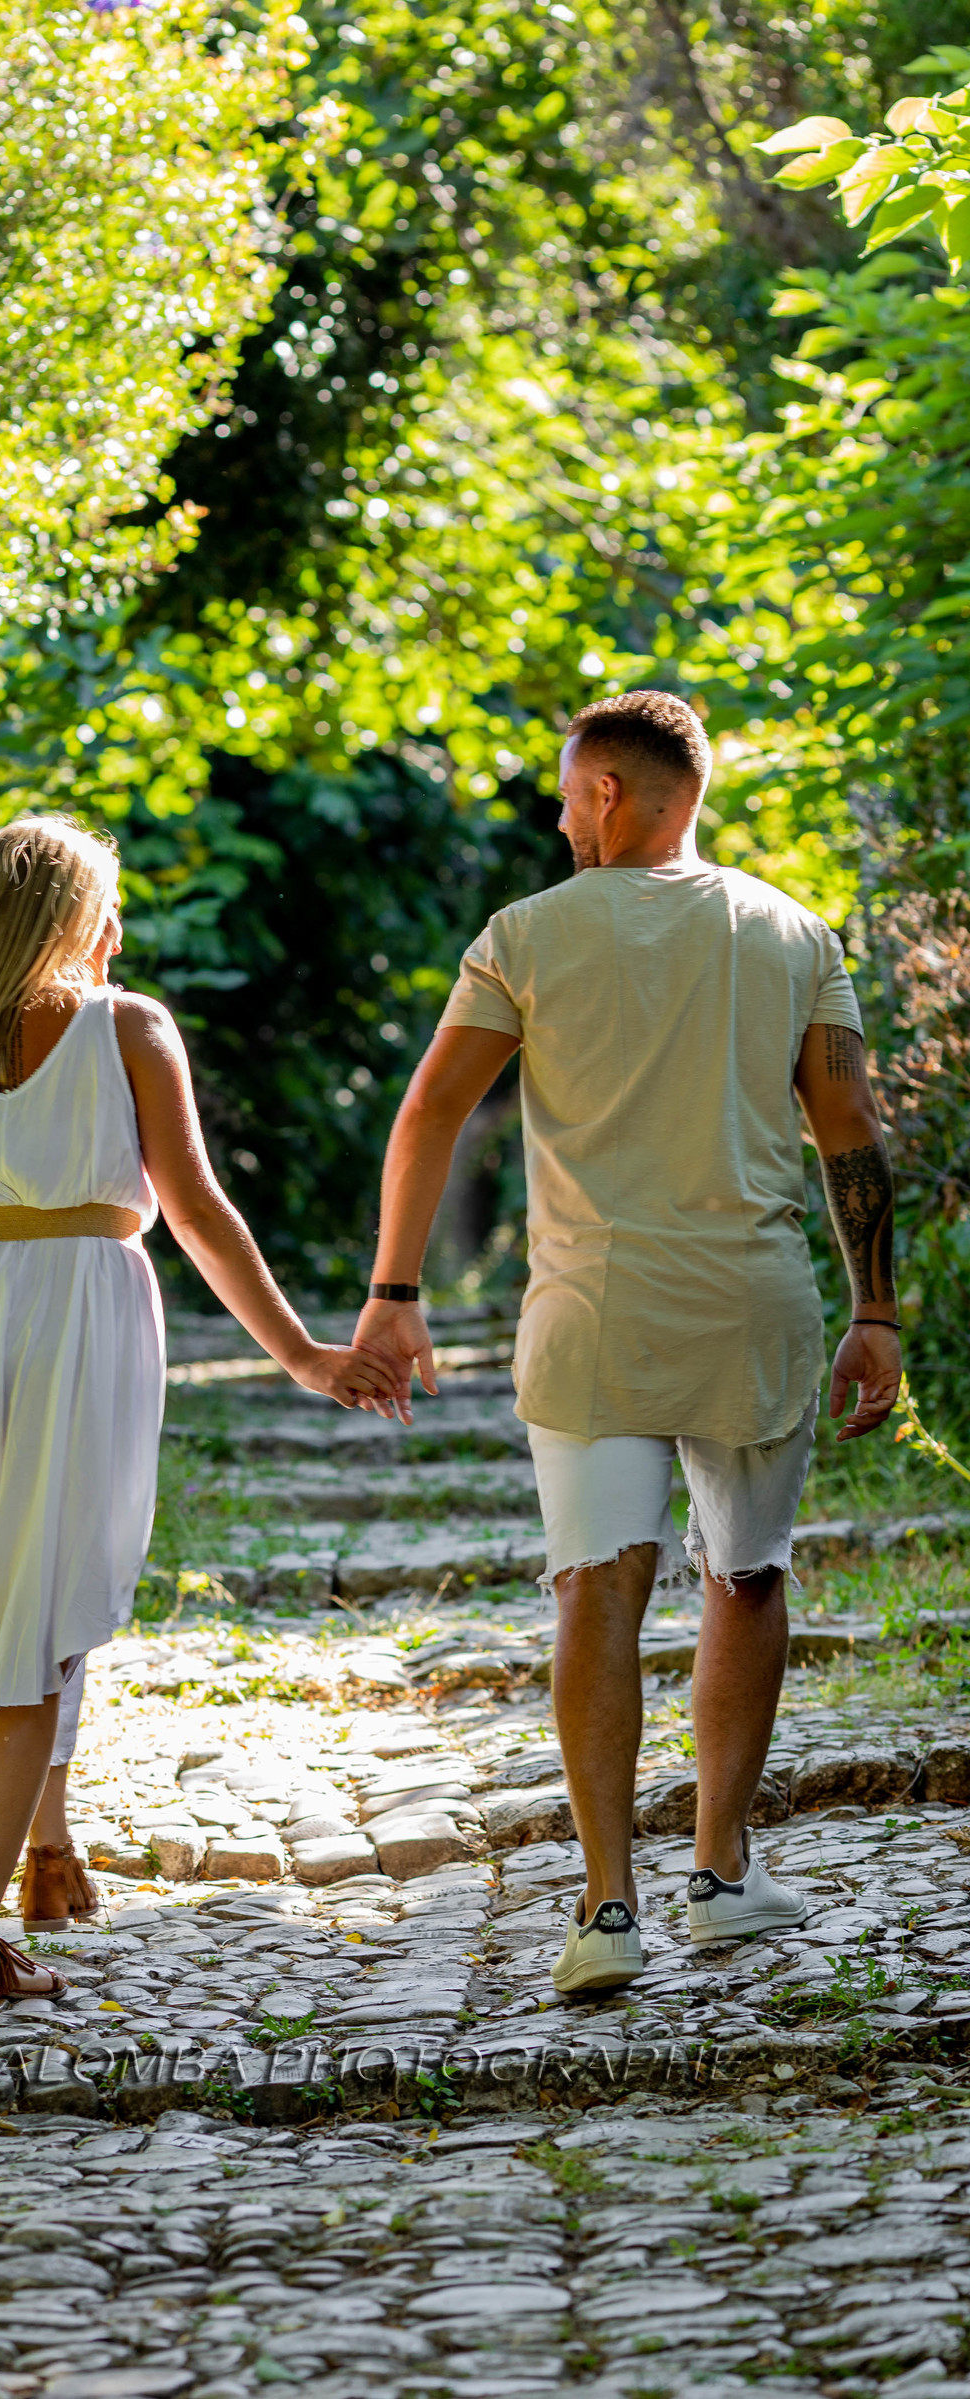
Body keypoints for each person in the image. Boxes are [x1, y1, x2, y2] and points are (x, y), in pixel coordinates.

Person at [353, 690, 901, 1994]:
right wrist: (876, 1308)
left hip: (592, 1315)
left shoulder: (526, 935)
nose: (559, 820)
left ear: (608, 789)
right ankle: (720, 1870)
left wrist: (395, 1286)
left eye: (563, 794)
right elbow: (853, 1133)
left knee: (595, 1588)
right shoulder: (791, 930)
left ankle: (608, 1907)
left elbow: (431, 1109)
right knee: (745, 1575)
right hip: (751, 1307)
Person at [0, 816, 398, 2005]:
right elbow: (198, 1209)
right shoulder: (126, 1025)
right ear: (78, 920)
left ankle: (47, 1859)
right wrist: (305, 1353)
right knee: (35, 1617)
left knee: (39, 1583)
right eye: (107, 909)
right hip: (80, 1311)